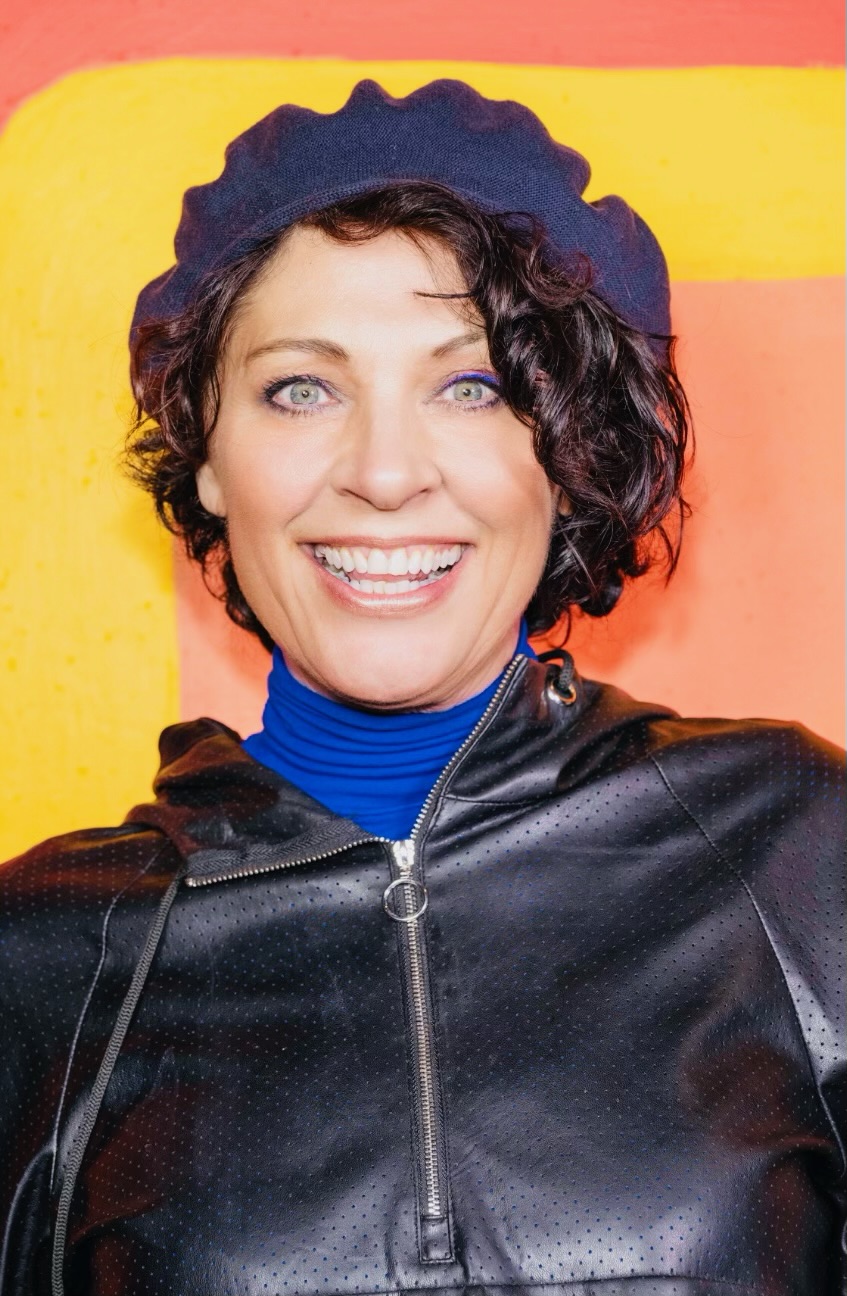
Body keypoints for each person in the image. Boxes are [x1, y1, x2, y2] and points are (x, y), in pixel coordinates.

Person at [0, 79, 843, 1296]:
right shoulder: (41, 955)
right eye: (301, 387)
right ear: (208, 454)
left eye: (472, 386)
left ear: (566, 450)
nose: (386, 473)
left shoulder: (799, 848)